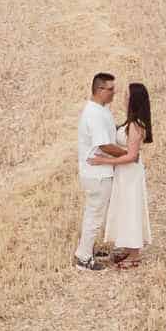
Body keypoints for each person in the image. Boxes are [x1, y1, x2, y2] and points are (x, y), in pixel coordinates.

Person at [98, 82, 153, 269]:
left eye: (127, 95)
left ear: (133, 100)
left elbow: (131, 156)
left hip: (130, 174)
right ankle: (129, 249)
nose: (124, 97)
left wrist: (104, 161)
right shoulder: (130, 123)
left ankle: (134, 254)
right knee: (125, 208)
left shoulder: (136, 126)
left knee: (131, 209)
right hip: (125, 173)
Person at [74, 71, 119, 271]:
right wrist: (128, 155)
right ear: (100, 90)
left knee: (94, 213)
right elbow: (104, 145)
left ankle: (88, 249)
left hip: (97, 172)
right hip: (97, 174)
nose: (114, 93)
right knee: (94, 215)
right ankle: (83, 258)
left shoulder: (100, 110)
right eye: (110, 89)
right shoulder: (95, 114)